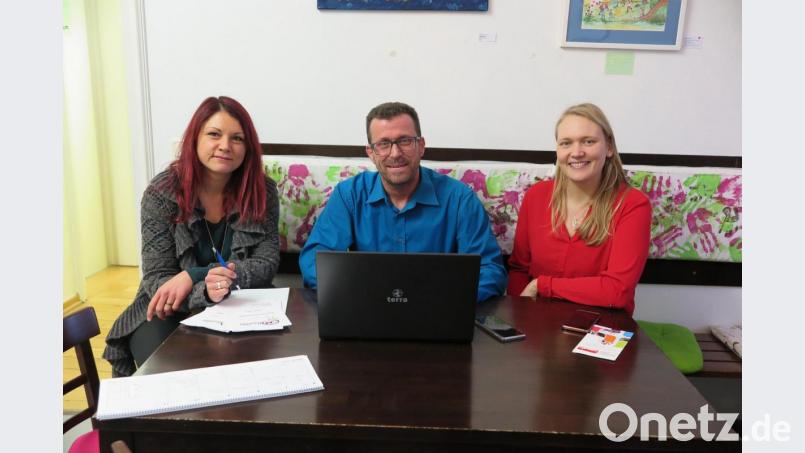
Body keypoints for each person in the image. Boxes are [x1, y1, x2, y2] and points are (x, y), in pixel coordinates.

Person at [103, 96, 280, 377]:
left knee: (250, 377)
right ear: (194, 139)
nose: (225, 146)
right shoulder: (161, 194)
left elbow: (266, 263)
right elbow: (157, 278)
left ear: (248, 148)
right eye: (214, 134)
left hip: (241, 306)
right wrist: (205, 289)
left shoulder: (263, 191)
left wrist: (194, 275)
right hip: (166, 310)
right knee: (172, 378)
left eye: (237, 138)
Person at [299, 101, 506, 302]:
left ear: (421, 146)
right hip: (367, 310)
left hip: (437, 313)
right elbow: (314, 261)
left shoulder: (460, 199)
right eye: (383, 144)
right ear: (371, 153)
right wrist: (365, 295)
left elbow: (489, 270)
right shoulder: (349, 195)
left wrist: (437, 299)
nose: (395, 153)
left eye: (405, 141)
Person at [507, 103, 651, 315]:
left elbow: (617, 291)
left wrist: (542, 285)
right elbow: (519, 269)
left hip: (602, 329)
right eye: (566, 143)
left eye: (588, 141)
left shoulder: (633, 204)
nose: (577, 152)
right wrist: (522, 315)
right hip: (538, 326)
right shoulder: (536, 196)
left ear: (609, 147)